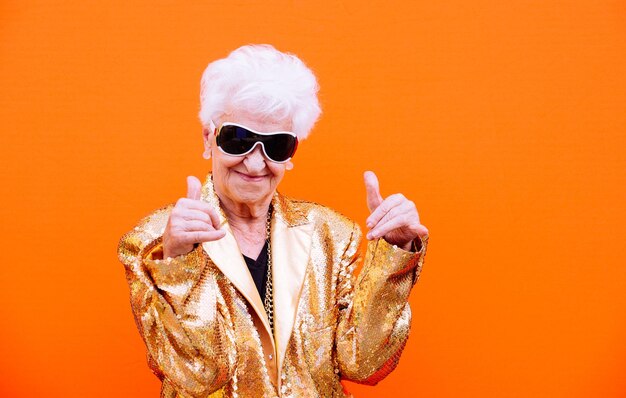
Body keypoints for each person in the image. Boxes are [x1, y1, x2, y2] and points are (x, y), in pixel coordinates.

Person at [118, 44, 429, 398]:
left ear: (293, 151)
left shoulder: (332, 234)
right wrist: (177, 264)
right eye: (238, 140)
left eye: (276, 145)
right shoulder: (152, 244)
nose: (254, 164)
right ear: (208, 137)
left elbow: (363, 363)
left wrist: (394, 255)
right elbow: (196, 376)